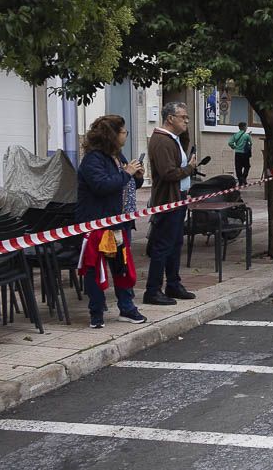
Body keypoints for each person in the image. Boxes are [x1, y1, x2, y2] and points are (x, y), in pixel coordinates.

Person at [76, 115, 146, 329]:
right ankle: (96, 313)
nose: (126, 135)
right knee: (95, 269)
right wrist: (126, 173)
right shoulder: (93, 160)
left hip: (119, 222)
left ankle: (127, 308)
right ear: (112, 135)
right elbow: (102, 186)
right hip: (97, 224)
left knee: (122, 267)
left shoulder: (117, 156)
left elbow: (127, 184)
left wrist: (137, 175)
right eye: (123, 131)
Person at [145, 102, 198, 306]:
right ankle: (153, 289)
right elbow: (168, 173)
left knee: (176, 244)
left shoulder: (173, 139)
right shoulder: (161, 141)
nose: (186, 120)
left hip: (178, 198)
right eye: (183, 117)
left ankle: (173, 284)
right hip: (167, 200)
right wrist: (190, 169)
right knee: (163, 245)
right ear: (170, 119)